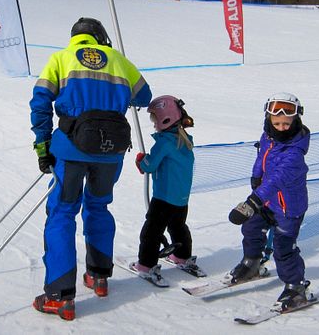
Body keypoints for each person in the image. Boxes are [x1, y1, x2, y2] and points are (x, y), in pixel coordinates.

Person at [29, 17, 152, 321]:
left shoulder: (61, 58)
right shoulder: (119, 60)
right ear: (101, 37)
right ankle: (98, 277)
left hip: (70, 151)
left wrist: (43, 145)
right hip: (110, 154)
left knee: (62, 213)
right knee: (98, 207)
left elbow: (40, 102)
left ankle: (59, 295)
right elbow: (145, 96)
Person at [227, 92, 312, 311]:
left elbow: (276, 180)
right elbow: (261, 156)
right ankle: (251, 262)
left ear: (296, 120)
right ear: (269, 119)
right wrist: (256, 176)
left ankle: (295, 287)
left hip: (287, 208)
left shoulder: (294, 153)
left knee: (283, 248)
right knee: (251, 228)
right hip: (267, 202)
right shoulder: (268, 137)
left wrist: (253, 201)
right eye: (277, 122)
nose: (282, 127)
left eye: (286, 123)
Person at [130, 95, 197, 285]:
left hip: (163, 198)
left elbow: (149, 166)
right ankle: (182, 256)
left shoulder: (165, 143)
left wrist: (141, 159)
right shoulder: (185, 142)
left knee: (152, 231)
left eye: (154, 120)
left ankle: (145, 264)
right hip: (181, 199)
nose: (154, 125)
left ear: (164, 119)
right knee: (178, 226)